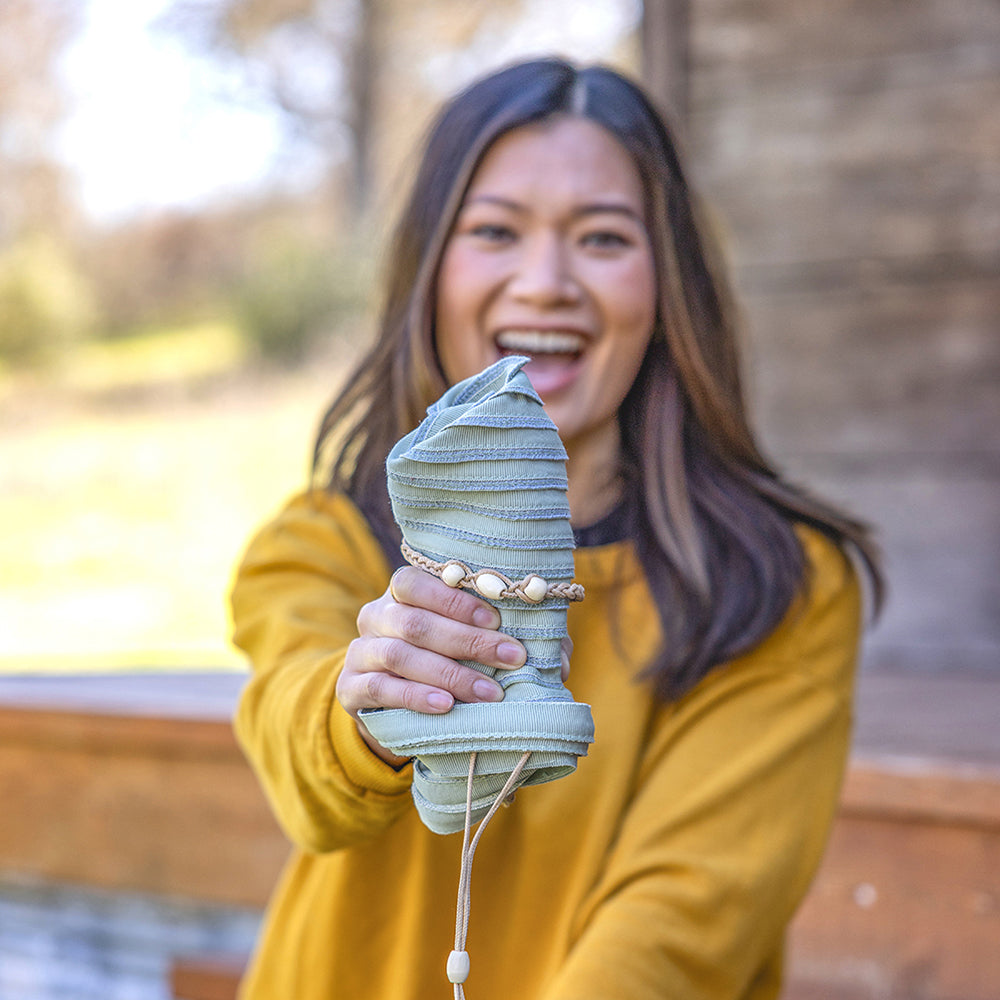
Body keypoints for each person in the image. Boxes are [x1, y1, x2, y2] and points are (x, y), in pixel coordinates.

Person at [229, 57, 883, 1000]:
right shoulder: (324, 540)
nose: (545, 284)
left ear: (668, 283)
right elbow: (299, 762)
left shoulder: (778, 584)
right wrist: (362, 705)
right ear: (427, 269)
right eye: (495, 231)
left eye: (603, 238)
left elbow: (678, 928)